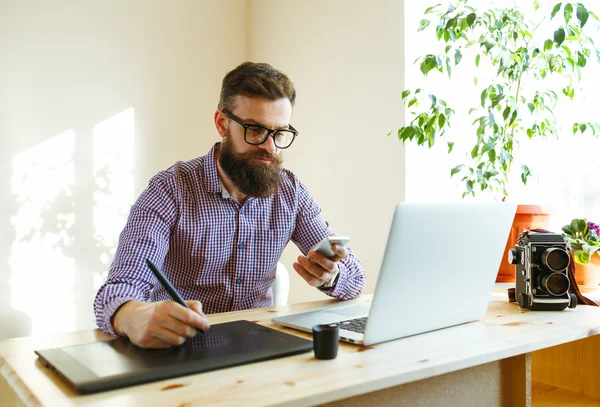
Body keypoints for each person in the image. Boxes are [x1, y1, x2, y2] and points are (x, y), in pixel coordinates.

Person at [93, 62, 366, 348]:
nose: (270, 146)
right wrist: (133, 314)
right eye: (255, 130)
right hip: (181, 346)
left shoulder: (290, 191)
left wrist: (331, 276)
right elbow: (118, 290)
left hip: (259, 346)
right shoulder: (169, 190)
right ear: (223, 123)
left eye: (279, 133)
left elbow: (355, 278)